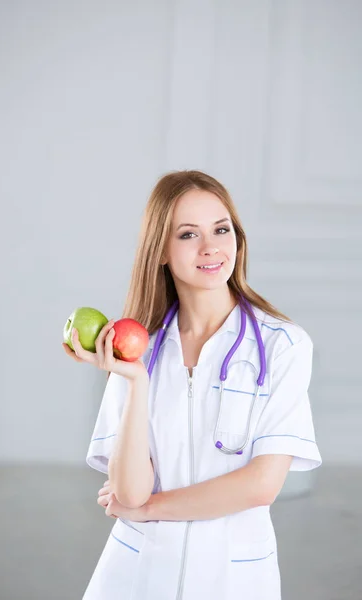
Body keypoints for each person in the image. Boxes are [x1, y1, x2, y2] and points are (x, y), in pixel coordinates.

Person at [62, 170, 322, 600]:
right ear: (160, 250)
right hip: (136, 573)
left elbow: (260, 486)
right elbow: (128, 490)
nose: (210, 247)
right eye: (187, 234)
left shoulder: (284, 346)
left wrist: (147, 509)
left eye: (221, 229)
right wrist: (137, 381)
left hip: (234, 576)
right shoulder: (136, 349)